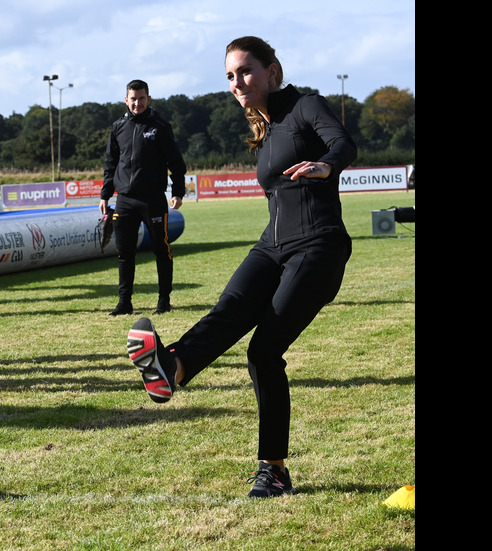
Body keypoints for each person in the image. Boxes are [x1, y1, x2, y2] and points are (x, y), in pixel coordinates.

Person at [127, 36, 356, 498]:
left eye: (245, 71)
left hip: (320, 246)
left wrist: (325, 166)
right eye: (230, 76)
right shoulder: (265, 129)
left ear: (272, 71)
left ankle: (274, 470)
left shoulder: (306, 106)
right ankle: (171, 370)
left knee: (263, 351)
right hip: (272, 245)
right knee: (229, 308)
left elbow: (343, 144)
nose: (237, 82)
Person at [100, 79, 187, 316]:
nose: (137, 103)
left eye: (141, 98)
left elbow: (176, 162)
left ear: (149, 99)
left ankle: (164, 301)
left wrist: (178, 191)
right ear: (126, 100)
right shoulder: (118, 127)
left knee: (162, 249)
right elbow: (110, 163)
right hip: (125, 200)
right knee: (124, 253)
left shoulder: (159, 126)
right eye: (133, 99)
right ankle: (124, 303)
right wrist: (105, 195)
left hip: (153, 200)